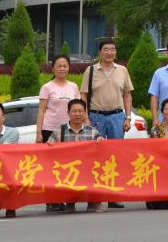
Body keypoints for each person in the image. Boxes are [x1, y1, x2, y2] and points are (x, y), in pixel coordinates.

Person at [80, 39, 133, 210]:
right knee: (96, 157)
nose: (110, 52)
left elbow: (127, 95)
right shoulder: (91, 70)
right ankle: (96, 196)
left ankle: (113, 196)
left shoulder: (122, 70)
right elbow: (83, 95)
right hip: (96, 117)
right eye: (106, 49)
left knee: (115, 158)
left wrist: (128, 117)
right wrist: (86, 118)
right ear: (99, 52)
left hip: (117, 117)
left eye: (112, 49)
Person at [35, 54, 80, 212]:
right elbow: (41, 111)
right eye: (59, 66)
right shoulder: (47, 87)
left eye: (65, 66)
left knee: (67, 166)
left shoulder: (73, 86)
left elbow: (79, 109)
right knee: (51, 167)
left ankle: (67, 198)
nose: (62, 68)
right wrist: (39, 133)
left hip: (68, 131)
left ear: (69, 68)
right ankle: (52, 200)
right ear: (53, 68)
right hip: (50, 130)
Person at [46, 99, 104, 212]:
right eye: (74, 111)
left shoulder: (92, 131)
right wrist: (50, 146)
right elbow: (49, 152)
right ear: (68, 113)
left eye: (80, 111)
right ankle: (69, 202)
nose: (77, 114)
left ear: (85, 113)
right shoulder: (59, 131)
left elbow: (101, 152)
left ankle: (94, 202)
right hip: (67, 168)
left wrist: (101, 142)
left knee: (98, 171)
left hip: (87, 168)